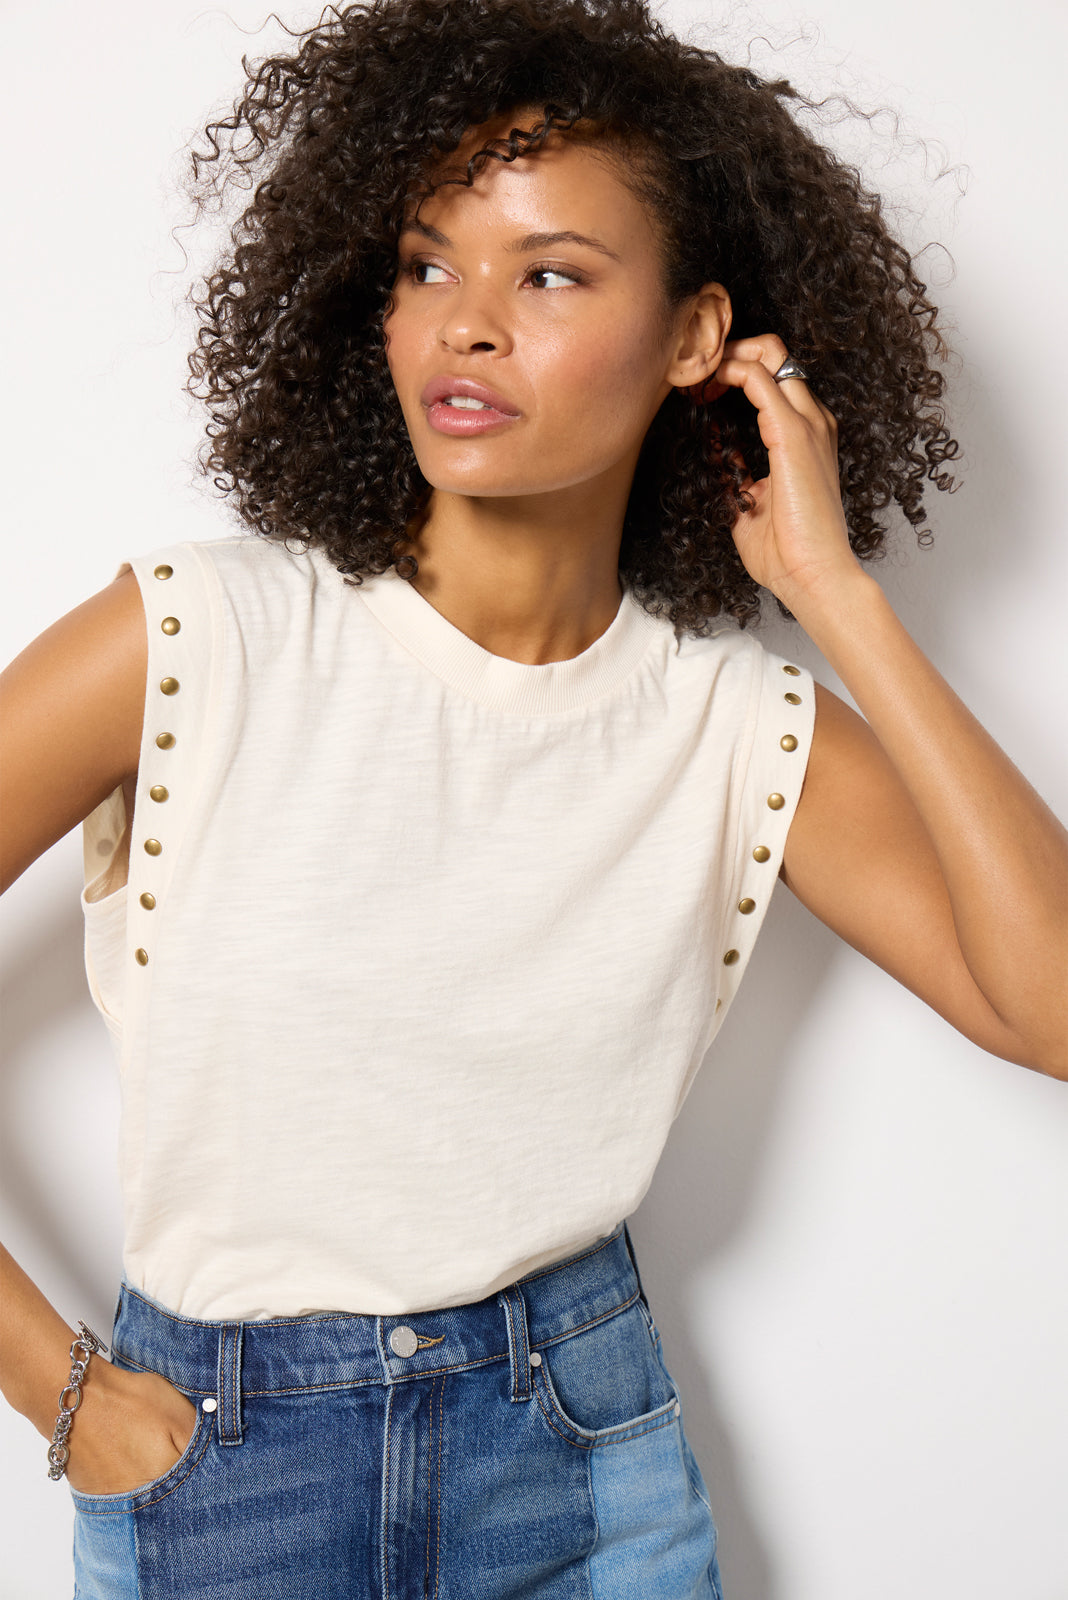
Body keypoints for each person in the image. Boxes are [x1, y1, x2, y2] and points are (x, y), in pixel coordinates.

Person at [1, 0, 1065, 1594]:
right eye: (428, 266)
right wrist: (67, 1400)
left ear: (697, 338)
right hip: (218, 1472)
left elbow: (1054, 1012)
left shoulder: (738, 728)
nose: (467, 326)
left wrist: (837, 598)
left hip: (585, 1463)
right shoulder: (197, 637)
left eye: (550, 274)